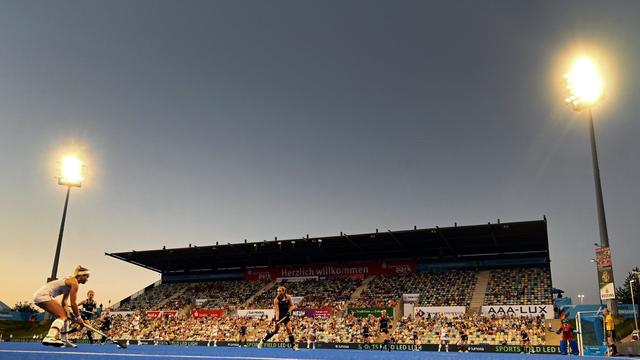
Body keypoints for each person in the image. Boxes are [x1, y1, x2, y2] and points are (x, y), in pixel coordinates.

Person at [32, 265, 89, 347]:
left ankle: (64, 340)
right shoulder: (74, 283)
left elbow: (64, 302)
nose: (87, 279)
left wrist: (70, 313)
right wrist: (79, 318)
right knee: (62, 316)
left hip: (42, 296)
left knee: (65, 315)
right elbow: (73, 303)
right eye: (86, 277)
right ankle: (50, 337)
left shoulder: (70, 281)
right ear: (81, 276)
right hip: (44, 295)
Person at [257, 286, 298, 350]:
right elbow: (277, 311)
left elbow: (293, 306)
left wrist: (289, 312)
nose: (278, 292)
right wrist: (277, 320)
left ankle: (293, 346)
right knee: (275, 330)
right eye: (277, 291)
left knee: (289, 329)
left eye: (280, 291)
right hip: (279, 315)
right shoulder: (276, 300)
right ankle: (262, 341)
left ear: (284, 291)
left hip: (286, 314)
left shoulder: (288, 297)